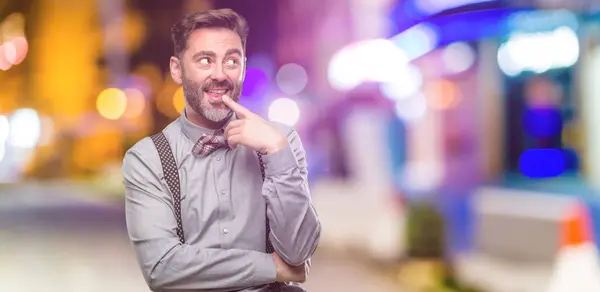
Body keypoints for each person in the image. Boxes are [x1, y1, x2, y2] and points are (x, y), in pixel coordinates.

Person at [122, 8, 321, 292]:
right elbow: (162, 268)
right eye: (205, 60)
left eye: (231, 61)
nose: (220, 74)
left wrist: (277, 151)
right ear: (177, 69)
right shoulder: (147, 158)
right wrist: (272, 268)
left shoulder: (282, 139)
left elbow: (299, 253)